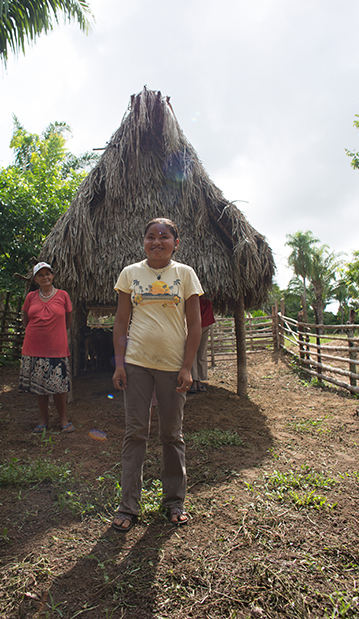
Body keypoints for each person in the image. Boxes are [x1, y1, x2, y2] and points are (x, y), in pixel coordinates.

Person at [112, 218, 202, 531]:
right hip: (136, 363)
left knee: (171, 435)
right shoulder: (130, 274)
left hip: (173, 366)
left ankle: (174, 501)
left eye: (164, 237)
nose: (157, 242)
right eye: (151, 237)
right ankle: (128, 506)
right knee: (135, 432)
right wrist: (120, 363)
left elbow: (195, 325)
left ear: (176, 243)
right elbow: (121, 322)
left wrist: (188, 366)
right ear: (144, 242)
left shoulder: (185, 274)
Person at [19, 262, 74, 434]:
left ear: (53, 276)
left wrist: (55, 334)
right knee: (39, 386)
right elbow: (25, 320)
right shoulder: (30, 297)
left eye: (48, 274)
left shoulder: (63, 296)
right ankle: (44, 420)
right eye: (41, 275)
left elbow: (68, 320)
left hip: (57, 348)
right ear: (35, 279)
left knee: (59, 387)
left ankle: (63, 419)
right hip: (34, 347)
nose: (45, 277)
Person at [189, 296, 215, 393]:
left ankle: (197, 380)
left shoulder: (209, 288)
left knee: (200, 351)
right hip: (195, 321)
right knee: (194, 351)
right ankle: (194, 381)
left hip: (204, 320)